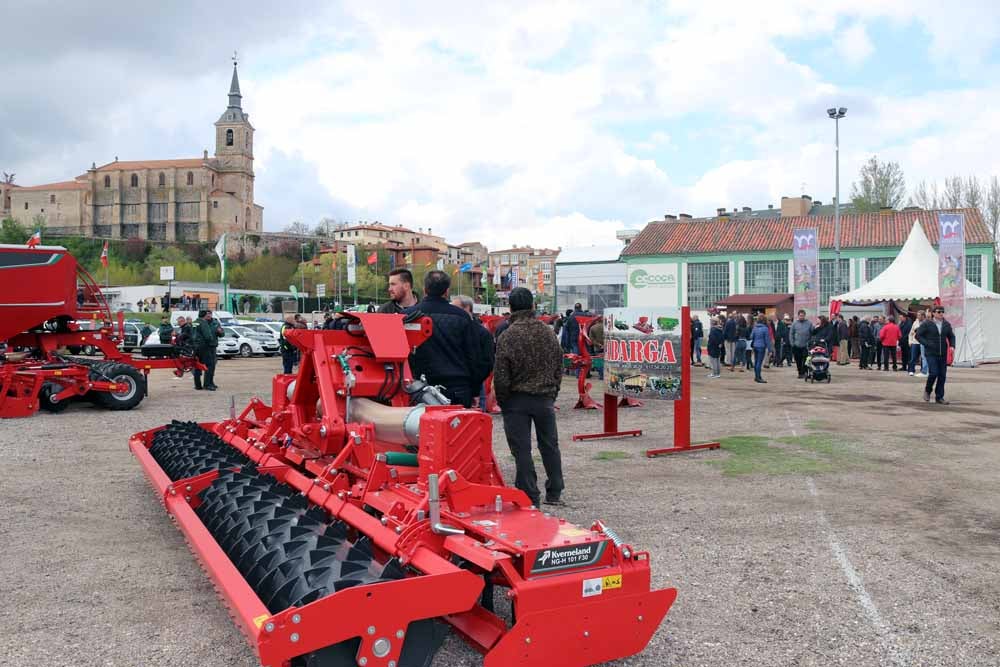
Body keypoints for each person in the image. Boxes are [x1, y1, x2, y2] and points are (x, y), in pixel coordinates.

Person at [493, 287, 564, 507]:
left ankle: (529, 494)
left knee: (522, 449)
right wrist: (553, 392)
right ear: (533, 305)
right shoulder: (547, 332)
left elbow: (501, 374)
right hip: (544, 398)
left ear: (510, 308)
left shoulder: (508, 335)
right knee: (549, 445)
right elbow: (558, 364)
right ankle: (555, 490)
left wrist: (503, 399)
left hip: (516, 399)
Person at [406, 271, 490, 407]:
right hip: (457, 389)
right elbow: (475, 357)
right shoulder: (462, 317)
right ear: (447, 291)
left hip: (418, 388)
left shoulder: (409, 316)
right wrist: (472, 388)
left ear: (424, 289)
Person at [452, 294, 496, 405]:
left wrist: (475, 381)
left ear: (466, 309)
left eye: (454, 308)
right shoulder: (453, 329)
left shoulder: (482, 333)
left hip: (474, 386)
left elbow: (488, 362)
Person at [915, 306, 955, 404]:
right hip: (931, 353)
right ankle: (928, 390)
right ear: (933, 313)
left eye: (942, 312)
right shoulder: (927, 324)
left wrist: (952, 346)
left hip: (943, 353)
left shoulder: (946, 324)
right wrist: (927, 344)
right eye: (939, 312)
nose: (941, 313)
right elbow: (918, 336)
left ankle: (939, 397)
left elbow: (951, 336)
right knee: (933, 373)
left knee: (942, 375)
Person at [191, 309, 222, 391]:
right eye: (207, 314)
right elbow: (207, 336)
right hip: (205, 346)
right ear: (204, 315)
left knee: (197, 365)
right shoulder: (203, 323)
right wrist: (210, 340)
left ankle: (197, 385)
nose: (208, 316)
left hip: (196, 346)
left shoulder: (194, 322)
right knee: (209, 364)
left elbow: (192, 333)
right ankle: (207, 385)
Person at [789, 310, 813, 378]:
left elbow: (812, 333)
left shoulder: (809, 323)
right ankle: (800, 373)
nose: (801, 317)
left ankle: (804, 371)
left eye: (802, 316)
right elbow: (791, 334)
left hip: (806, 345)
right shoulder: (794, 324)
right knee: (798, 360)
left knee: (806, 360)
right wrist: (792, 343)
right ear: (798, 316)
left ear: (805, 316)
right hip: (796, 345)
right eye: (800, 316)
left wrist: (810, 342)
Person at [750, 314, 771, 383]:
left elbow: (751, 336)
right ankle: (758, 377)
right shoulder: (765, 328)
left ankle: (757, 376)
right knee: (759, 362)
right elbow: (767, 340)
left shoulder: (755, 327)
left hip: (755, 346)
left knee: (756, 362)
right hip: (761, 346)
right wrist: (770, 349)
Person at [907, 310, 926, 376]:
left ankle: (923, 370)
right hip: (915, 342)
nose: (917, 316)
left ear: (923, 316)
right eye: (917, 315)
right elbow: (911, 333)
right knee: (913, 357)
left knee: (923, 358)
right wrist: (910, 341)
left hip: (923, 343)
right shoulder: (915, 322)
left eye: (919, 315)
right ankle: (911, 370)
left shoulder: (926, 322)